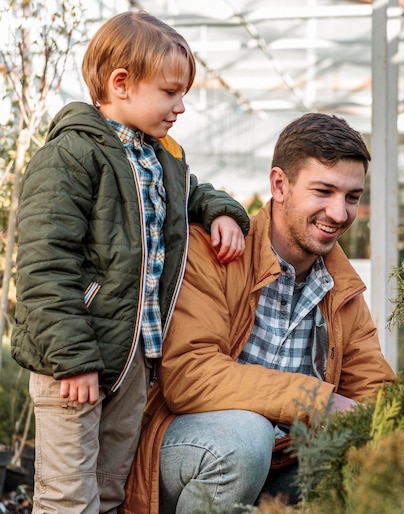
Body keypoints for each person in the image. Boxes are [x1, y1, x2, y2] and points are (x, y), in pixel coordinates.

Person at [120, 113, 404, 513]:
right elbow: (189, 375)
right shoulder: (218, 251)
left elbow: (371, 393)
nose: (339, 213)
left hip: (284, 462)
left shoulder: (341, 289)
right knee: (246, 437)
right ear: (279, 185)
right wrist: (316, 402)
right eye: (324, 191)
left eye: (352, 197)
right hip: (189, 453)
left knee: (368, 468)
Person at [10, 10, 250, 514]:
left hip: (133, 358)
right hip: (75, 360)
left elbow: (191, 193)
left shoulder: (160, 155)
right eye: (170, 92)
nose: (181, 106)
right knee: (68, 499)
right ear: (121, 84)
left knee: (111, 490)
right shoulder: (71, 156)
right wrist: (72, 359)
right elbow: (43, 267)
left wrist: (222, 211)